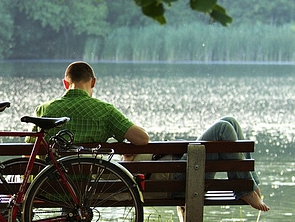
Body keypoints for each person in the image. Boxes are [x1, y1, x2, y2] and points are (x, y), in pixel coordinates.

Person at [36, 61, 268, 212]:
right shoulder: (103, 111)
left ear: (65, 83)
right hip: (172, 181)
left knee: (229, 123)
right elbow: (142, 139)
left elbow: (34, 151)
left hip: (58, 184)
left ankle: (249, 186)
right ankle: (247, 187)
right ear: (93, 82)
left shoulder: (45, 111)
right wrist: (122, 144)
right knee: (226, 127)